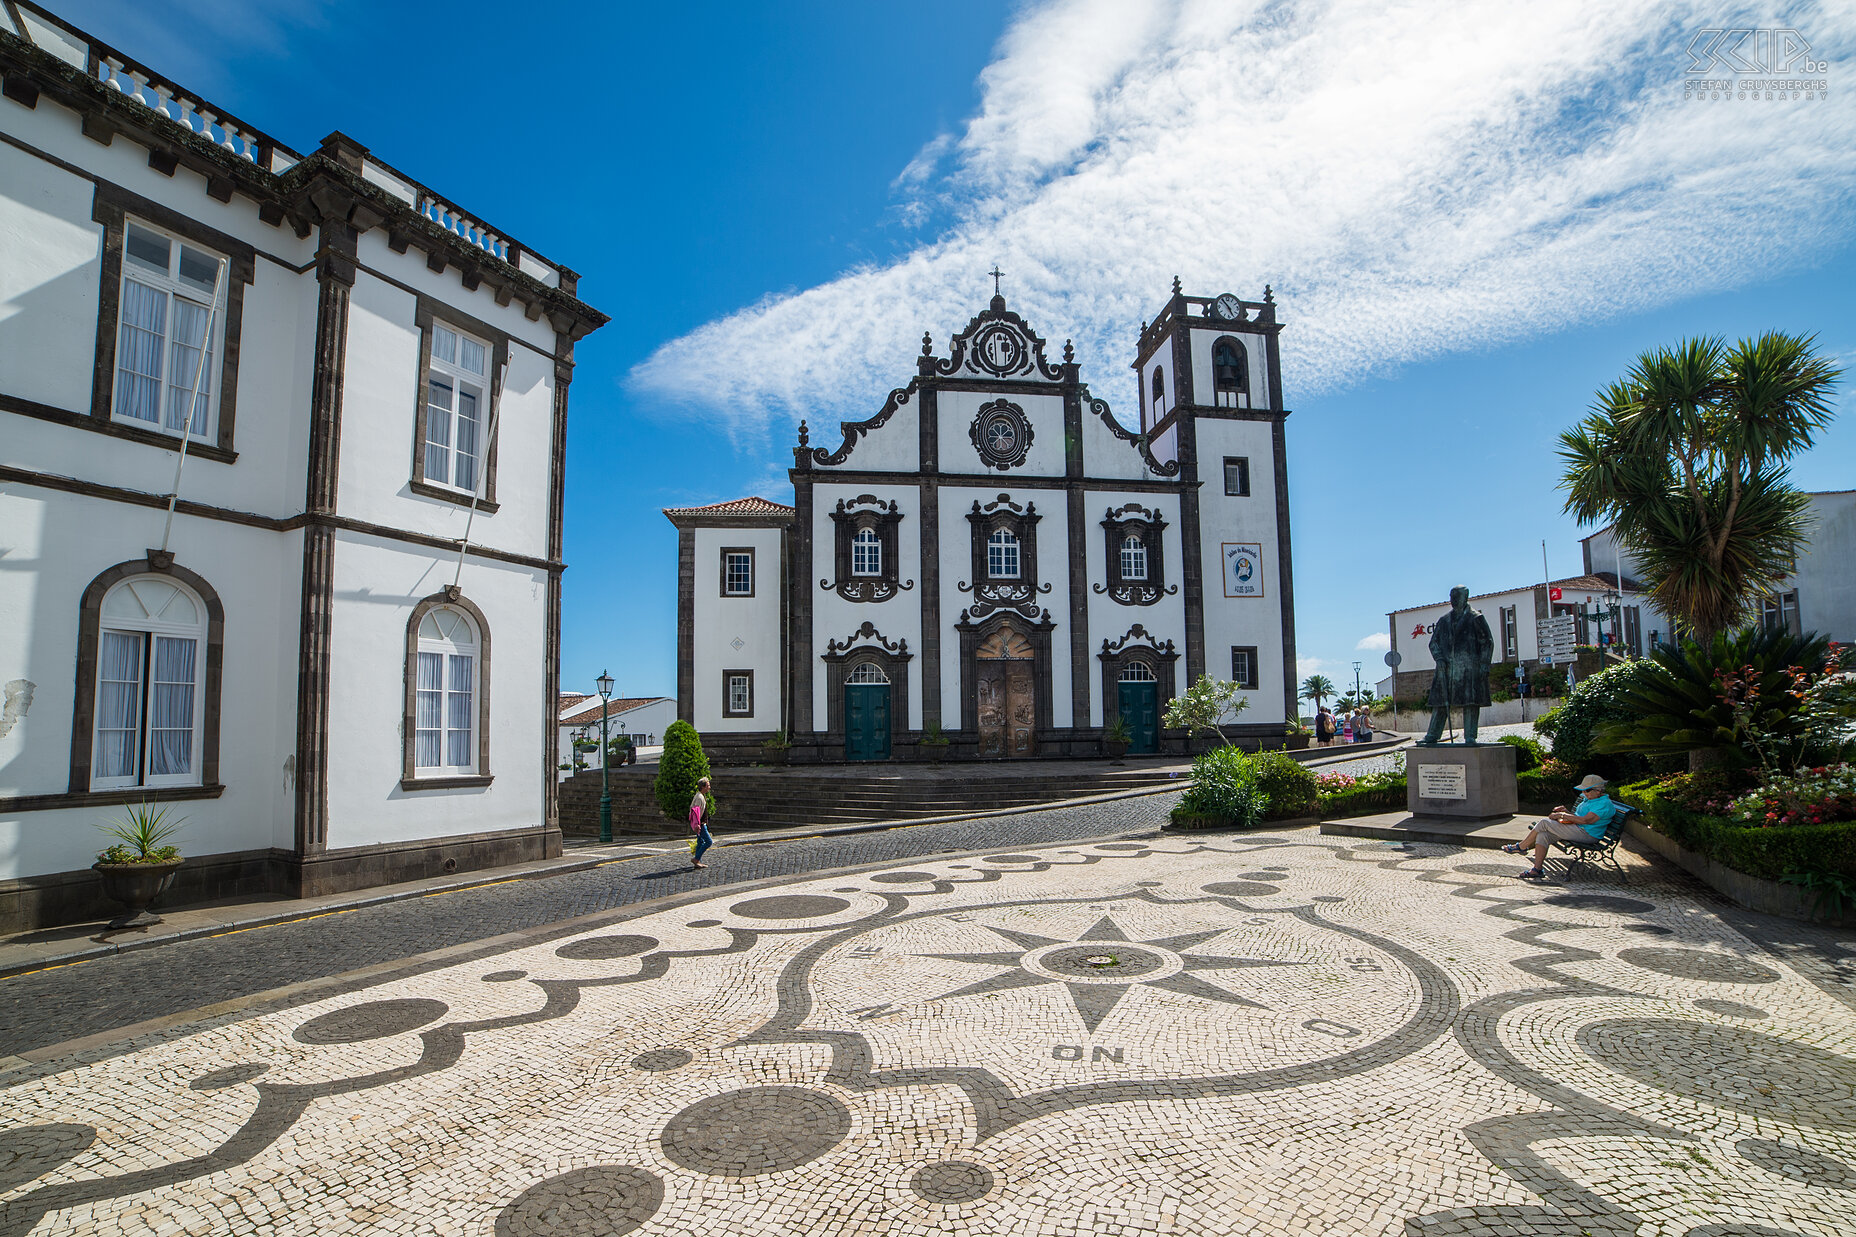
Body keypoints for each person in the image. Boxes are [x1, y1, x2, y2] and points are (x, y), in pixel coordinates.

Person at [1418, 585, 1495, 746]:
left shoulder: (1475, 618)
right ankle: (1432, 734)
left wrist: (1484, 665)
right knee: (1441, 703)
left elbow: (1487, 642)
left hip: (1469, 668)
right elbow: (1434, 643)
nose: (1452, 600)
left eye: (1456, 597)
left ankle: (1470, 736)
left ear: (1465, 597)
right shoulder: (1444, 620)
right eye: (1451, 597)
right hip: (1446, 669)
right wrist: (1439, 658)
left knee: (1470, 703)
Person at [1503, 774, 1620, 879]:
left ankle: (1522, 846)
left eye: (1587, 790)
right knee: (1543, 835)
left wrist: (1563, 815)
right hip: (1578, 828)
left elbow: (1586, 820)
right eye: (1583, 790)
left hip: (1587, 834)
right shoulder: (1590, 799)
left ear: (1598, 791)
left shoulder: (1603, 804)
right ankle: (1537, 870)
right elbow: (1579, 817)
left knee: (1544, 823)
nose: (1584, 793)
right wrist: (1567, 812)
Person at [689, 776, 714, 870]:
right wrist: (698, 825)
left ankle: (697, 861)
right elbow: (696, 812)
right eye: (708, 785)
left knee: (700, 842)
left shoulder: (700, 795)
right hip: (700, 824)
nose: (709, 787)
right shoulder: (699, 797)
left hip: (702, 823)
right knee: (708, 841)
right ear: (703, 787)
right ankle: (696, 859)